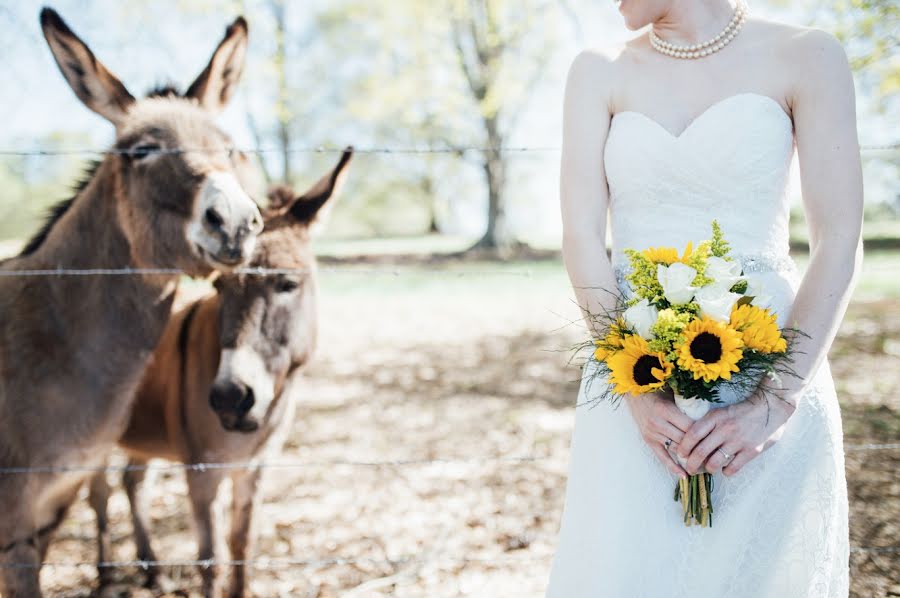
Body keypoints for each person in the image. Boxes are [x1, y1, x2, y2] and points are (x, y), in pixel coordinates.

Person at [547, 1, 862, 596]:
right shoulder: (597, 71)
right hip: (634, 386)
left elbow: (839, 240)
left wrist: (777, 400)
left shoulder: (808, 54)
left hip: (774, 363)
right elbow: (582, 237)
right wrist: (635, 388)